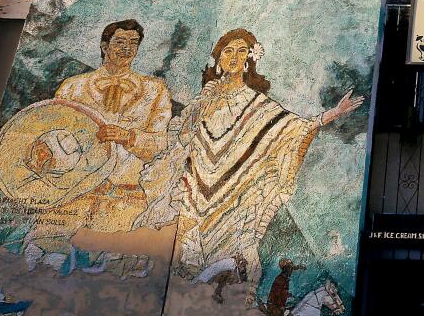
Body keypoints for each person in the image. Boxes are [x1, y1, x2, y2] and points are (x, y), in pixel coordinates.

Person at [137, 27, 362, 296]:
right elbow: (179, 137)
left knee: (231, 269)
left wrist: (330, 115)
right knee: (180, 263)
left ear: (250, 59)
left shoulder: (257, 104)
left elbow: (289, 131)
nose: (233, 56)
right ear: (218, 57)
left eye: (241, 50)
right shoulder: (203, 98)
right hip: (192, 194)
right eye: (227, 51)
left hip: (234, 201)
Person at [23, 19, 172, 260]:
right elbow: (51, 136)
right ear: (104, 46)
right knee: (43, 254)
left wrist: (129, 137)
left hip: (125, 196)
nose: (127, 48)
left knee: (107, 271)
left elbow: (160, 146)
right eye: (120, 42)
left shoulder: (155, 90)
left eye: (133, 43)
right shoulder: (73, 88)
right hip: (73, 193)